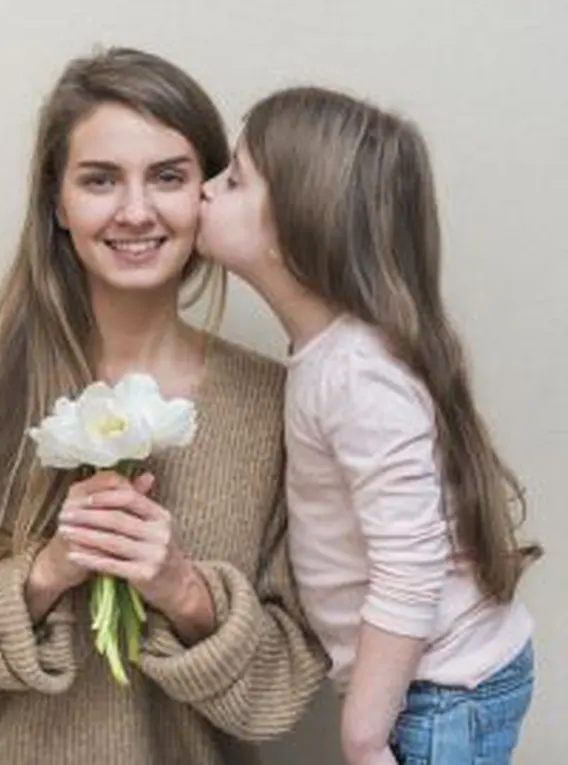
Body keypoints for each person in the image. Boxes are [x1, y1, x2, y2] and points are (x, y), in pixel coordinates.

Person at [0, 46, 327, 765]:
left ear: (206, 194)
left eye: (167, 177)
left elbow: (286, 686)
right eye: (100, 180)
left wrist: (183, 590)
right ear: (57, 201)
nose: (135, 212)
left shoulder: (275, 406)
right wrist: (43, 575)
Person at [198, 86, 539, 765]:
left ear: (297, 226)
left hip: (440, 697)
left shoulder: (356, 375)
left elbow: (410, 566)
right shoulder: (334, 358)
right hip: (436, 687)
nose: (206, 188)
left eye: (233, 179)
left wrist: (362, 735)